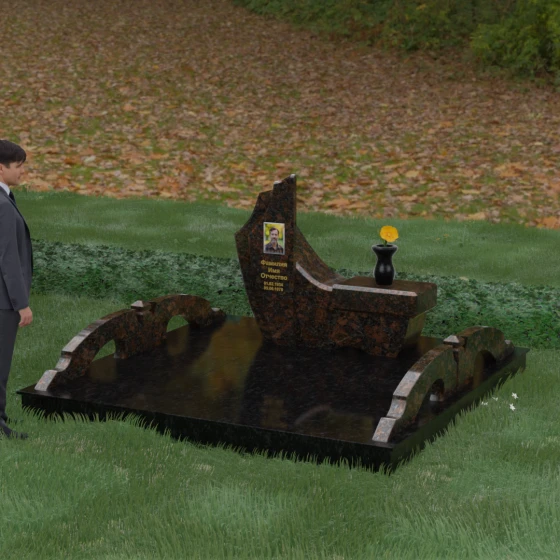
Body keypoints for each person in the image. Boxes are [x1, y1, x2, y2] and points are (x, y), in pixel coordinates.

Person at [0, 139, 32, 439]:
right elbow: (8, 260)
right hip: (3, 301)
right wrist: (21, 303)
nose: (23, 171)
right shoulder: (3, 206)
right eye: (18, 166)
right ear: (1, 168)